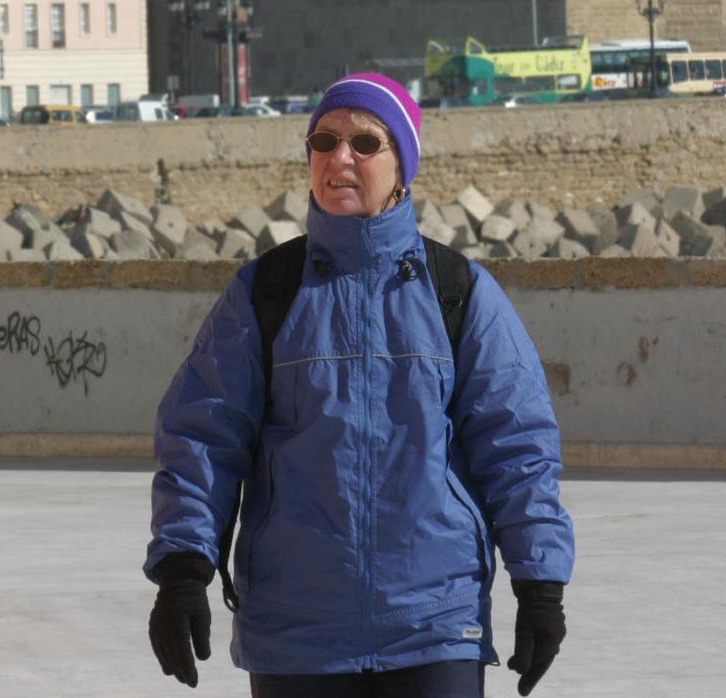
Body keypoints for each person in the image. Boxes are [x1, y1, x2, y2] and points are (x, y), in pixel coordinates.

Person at [146, 72, 575, 698]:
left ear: (403, 164)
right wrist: (184, 570)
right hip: (297, 635)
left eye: (365, 143)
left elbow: (518, 446)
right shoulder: (264, 293)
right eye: (325, 140)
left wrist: (539, 585)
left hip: (434, 626)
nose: (340, 157)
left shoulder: (459, 292)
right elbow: (202, 436)